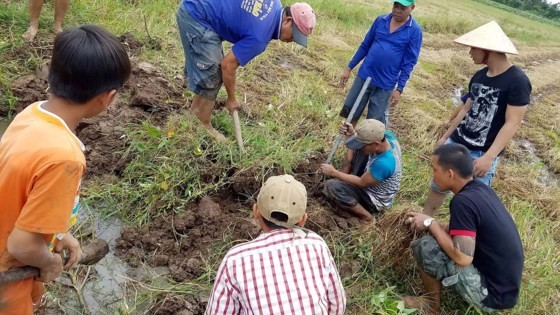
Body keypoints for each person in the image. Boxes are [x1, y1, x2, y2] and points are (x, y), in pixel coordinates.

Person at [0, 25, 131, 314]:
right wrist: (49, 262)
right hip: (6, 275)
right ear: (107, 98)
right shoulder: (65, 158)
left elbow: (21, 191)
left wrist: (57, 234)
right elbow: (22, 245)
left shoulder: (32, 114)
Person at [423, 21, 532, 215]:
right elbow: (466, 109)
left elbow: (512, 122)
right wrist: (445, 138)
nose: (470, 53)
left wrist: (489, 157)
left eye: (473, 48)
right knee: (438, 184)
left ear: (487, 50)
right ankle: (424, 220)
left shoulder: (518, 81)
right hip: (458, 143)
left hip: (481, 154)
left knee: (473, 202)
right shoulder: (480, 76)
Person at [404, 143, 524, 314]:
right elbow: (462, 229)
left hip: (489, 296)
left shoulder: (462, 202)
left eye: (435, 169)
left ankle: (431, 306)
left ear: (450, 174)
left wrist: (431, 224)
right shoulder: (480, 189)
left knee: (426, 246)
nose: (433, 175)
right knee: (437, 236)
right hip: (505, 292)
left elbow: (463, 259)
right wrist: (430, 223)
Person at [205, 175, 346, 314]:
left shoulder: (235, 259)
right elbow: (337, 305)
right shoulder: (317, 245)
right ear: (303, 220)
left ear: (256, 211)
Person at [176, 0, 317, 140]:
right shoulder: (260, 36)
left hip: (203, 8)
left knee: (211, 64)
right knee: (213, 73)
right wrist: (231, 99)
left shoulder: (274, 3)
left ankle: (196, 108)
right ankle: (201, 123)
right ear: (288, 20)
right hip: (195, 15)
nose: (292, 40)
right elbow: (227, 66)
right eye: (294, 35)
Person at [339, 0, 422, 126]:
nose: (397, 10)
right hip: (365, 75)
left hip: (385, 83)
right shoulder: (381, 20)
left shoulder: (414, 30)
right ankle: (349, 144)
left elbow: (409, 63)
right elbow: (365, 45)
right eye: (396, 5)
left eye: (403, 8)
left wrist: (399, 89)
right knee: (351, 113)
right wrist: (349, 67)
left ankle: (364, 145)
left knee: (373, 125)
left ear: (412, 8)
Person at [320, 119, 402, 222]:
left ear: (376, 144)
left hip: (374, 198)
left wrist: (334, 172)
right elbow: (363, 142)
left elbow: (361, 182)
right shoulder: (384, 137)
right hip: (372, 176)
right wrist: (352, 134)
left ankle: (367, 217)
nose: (359, 147)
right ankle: (343, 177)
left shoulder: (385, 163)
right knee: (361, 150)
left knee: (332, 186)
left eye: (362, 144)